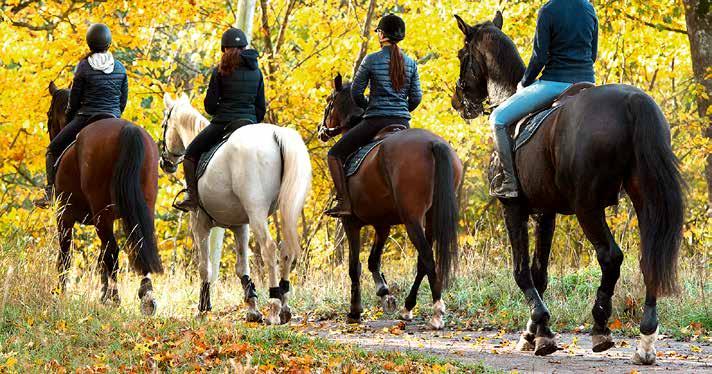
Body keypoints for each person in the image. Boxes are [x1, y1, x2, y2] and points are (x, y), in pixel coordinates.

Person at [489, 0, 598, 198]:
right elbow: (593, 55)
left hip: (554, 82)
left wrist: (524, 82)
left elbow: (539, 58)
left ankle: (510, 183)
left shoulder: (548, 10)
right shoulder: (588, 8)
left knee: (497, 119)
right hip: (587, 81)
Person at [325, 14, 422, 217]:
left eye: (378, 31)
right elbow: (416, 97)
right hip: (403, 122)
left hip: (375, 121)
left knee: (333, 154)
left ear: (382, 34)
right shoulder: (411, 63)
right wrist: (401, 110)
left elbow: (356, 93)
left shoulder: (371, 60)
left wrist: (369, 107)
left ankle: (344, 202)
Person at [35, 23, 128, 208]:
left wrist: (69, 118)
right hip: (114, 117)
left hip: (86, 117)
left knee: (52, 150)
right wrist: (115, 116)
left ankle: (50, 193)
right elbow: (123, 101)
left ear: (90, 44)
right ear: (108, 44)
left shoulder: (83, 67)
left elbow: (74, 102)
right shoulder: (120, 67)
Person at [173, 28, 266, 212]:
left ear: (224, 49)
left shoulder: (221, 71)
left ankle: (192, 198)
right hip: (249, 123)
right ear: (244, 47)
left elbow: (210, 106)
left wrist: (220, 110)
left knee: (190, 154)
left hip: (224, 122)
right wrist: (251, 120)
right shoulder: (257, 72)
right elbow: (260, 107)